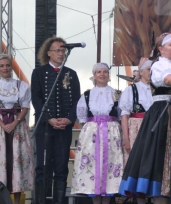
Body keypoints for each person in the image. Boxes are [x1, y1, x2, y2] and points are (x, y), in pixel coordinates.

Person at [119, 33, 171, 204]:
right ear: (160, 48)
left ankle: (169, 189)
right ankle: (161, 190)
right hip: (163, 113)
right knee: (160, 157)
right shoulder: (159, 66)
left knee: (170, 157)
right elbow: (166, 80)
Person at [31, 36, 81, 204]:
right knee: (43, 167)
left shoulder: (71, 74)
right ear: (48, 52)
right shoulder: (38, 73)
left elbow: (76, 100)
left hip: (64, 128)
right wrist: (49, 119)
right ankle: (41, 201)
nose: (61, 53)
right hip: (45, 127)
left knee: (61, 166)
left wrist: (69, 119)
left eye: (63, 50)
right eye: (58, 50)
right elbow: (36, 99)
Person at [71, 63, 123, 204]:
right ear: (94, 75)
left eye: (105, 72)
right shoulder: (87, 95)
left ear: (108, 75)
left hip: (111, 133)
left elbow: (120, 114)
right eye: (99, 72)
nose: (102, 74)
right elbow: (82, 116)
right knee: (93, 166)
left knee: (110, 164)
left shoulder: (116, 94)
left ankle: (106, 201)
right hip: (92, 135)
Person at [0, 54, 34, 204]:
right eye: (2, 66)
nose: (5, 68)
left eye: (8, 65)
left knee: (17, 164)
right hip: (1, 127)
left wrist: (14, 123)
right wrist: (3, 125)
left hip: (18, 127)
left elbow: (25, 107)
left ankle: (17, 201)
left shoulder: (21, 85)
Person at [119, 57, 153, 164]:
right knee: (136, 161)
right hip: (136, 130)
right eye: (148, 69)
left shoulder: (159, 89)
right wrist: (126, 139)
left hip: (154, 127)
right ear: (141, 72)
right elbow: (124, 116)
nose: (151, 72)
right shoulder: (131, 89)